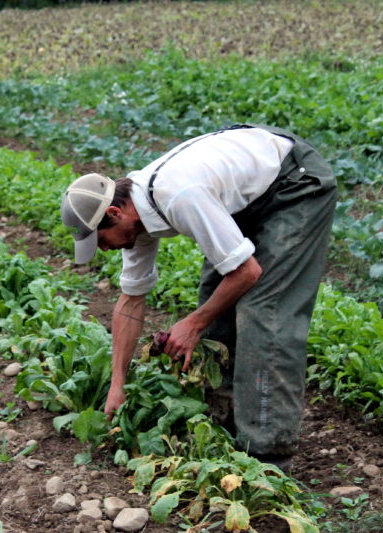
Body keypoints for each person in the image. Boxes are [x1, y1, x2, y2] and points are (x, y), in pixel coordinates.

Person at [60, 124, 337, 470]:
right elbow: (130, 302)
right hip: (249, 193)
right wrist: (118, 385)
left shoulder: (179, 196)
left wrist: (193, 323)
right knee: (215, 297)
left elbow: (246, 272)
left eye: (101, 240)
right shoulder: (135, 218)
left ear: (115, 214)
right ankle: (223, 421)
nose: (103, 249)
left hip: (293, 183)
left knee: (264, 310)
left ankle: (268, 455)